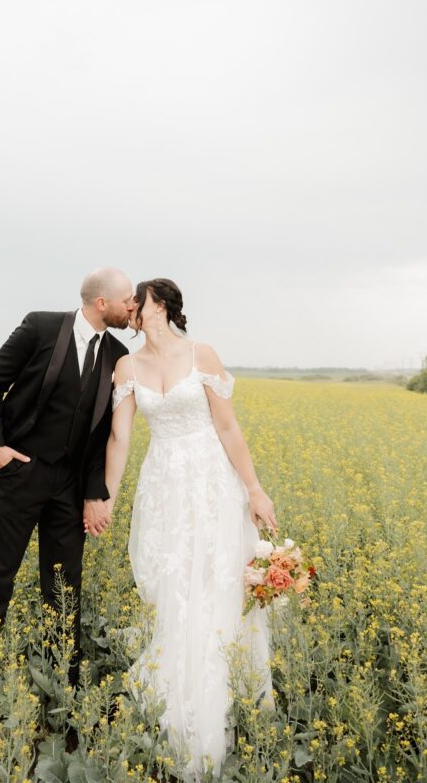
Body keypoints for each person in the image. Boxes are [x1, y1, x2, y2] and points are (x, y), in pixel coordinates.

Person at [84, 278, 277, 781]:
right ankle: (178, 694)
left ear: (161, 306)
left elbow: (229, 428)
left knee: (216, 584)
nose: (131, 308)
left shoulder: (202, 355)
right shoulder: (127, 367)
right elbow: (120, 439)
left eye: (138, 302)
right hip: (164, 487)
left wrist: (254, 490)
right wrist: (105, 497)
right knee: (175, 588)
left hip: (212, 483)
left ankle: (219, 695)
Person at [0, 267, 133, 686]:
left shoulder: (116, 353)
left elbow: (100, 433)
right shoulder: (39, 327)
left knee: (64, 587)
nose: (131, 306)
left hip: (71, 487)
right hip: (21, 471)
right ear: (101, 303)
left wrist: (95, 493)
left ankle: (63, 681)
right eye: (126, 299)